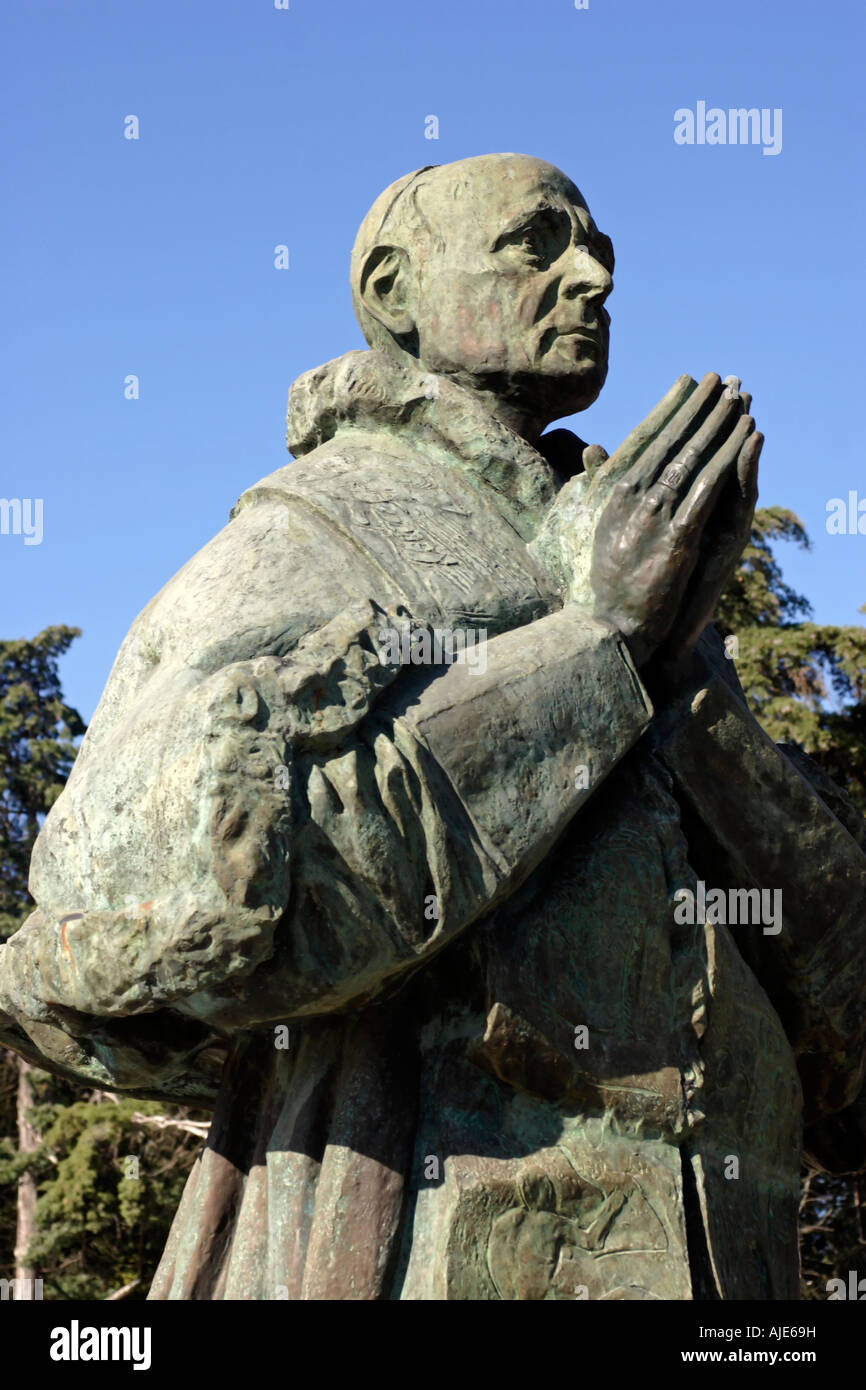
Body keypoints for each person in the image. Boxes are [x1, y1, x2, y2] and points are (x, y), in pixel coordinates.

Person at [1, 154, 864, 1300]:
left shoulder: (636, 564)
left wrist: (687, 698)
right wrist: (590, 643)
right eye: (536, 241)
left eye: (598, 245)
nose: (593, 273)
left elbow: (845, 1054)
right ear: (394, 293)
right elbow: (165, 920)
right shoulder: (305, 537)